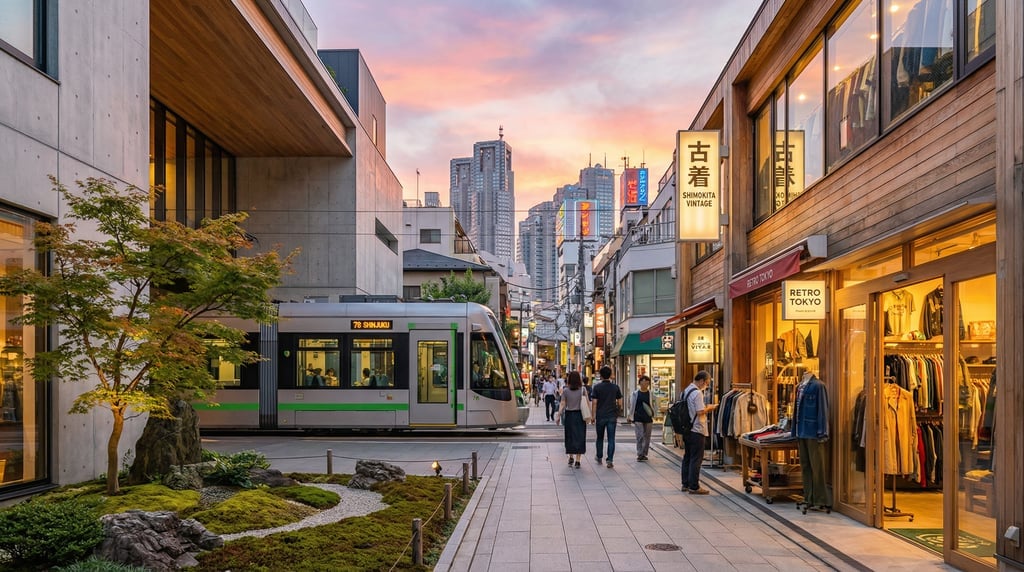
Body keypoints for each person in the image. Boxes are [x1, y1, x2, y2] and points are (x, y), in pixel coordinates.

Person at [680, 370, 718, 494]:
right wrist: (710, 407)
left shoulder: (685, 391)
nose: (706, 385)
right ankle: (694, 486)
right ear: (701, 381)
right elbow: (700, 411)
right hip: (697, 429)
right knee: (696, 458)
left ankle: (685, 483)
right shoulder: (697, 393)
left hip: (687, 429)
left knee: (688, 456)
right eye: (706, 383)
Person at [556, 371, 590, 468]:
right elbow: (587, 403)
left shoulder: (566, 390)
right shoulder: (583, 390)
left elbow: (562, 404)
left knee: (570, 436)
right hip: (580, 416)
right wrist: (590, 415)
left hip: (569, 415)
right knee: (580, 436)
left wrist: (558, 415)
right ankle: (578, 460)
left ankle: (571, 456)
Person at [590, 365, 622, 468]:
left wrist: (593, 416)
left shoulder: (597, 387)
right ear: (610, 375)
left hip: (600, 415)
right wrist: (617, 411)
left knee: (600, 437)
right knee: (611, 438)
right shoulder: (615, 387)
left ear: (601, 376)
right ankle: (610, 460)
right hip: (612, 415)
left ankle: (599, 456)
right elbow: (620, 402)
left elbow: (594, 402)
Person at [627, 375, 657, 461]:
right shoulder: (635, 393)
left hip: (648, 417)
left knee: (647, 437)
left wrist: (654, 412)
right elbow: (631, 405)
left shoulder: (650, 393)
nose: (645, 385)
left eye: (647, 383)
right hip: (638, 417)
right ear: (640, 383)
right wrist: (630, 415)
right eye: (643, 383)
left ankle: (644, 453)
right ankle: (640, 453)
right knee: (639, 435)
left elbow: (654, 404)